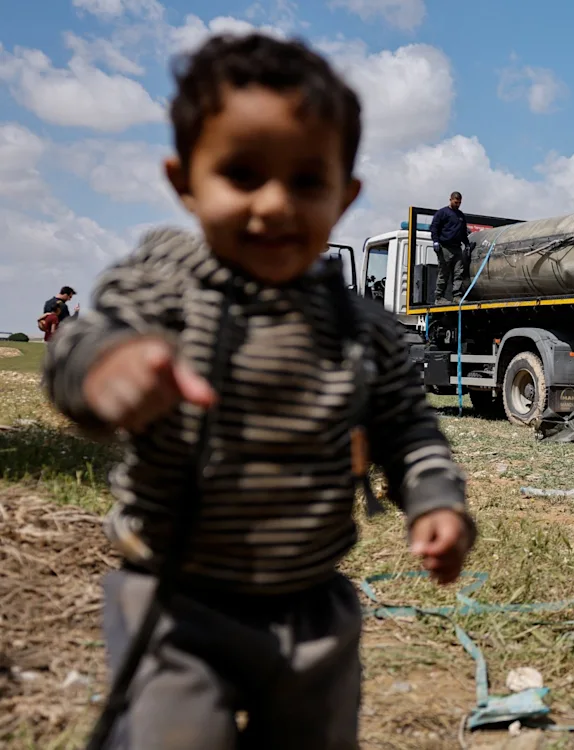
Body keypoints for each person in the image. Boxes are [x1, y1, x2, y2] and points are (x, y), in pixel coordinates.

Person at [42, 33, 474, 750]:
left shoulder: (359, 327)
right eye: (242, 174)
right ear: (185, 181)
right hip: (177, 603)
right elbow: (84, 348)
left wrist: (436, 502)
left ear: (345, 194)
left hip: (312, 609)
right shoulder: (166, 282)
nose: (274, 205)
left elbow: (410, 430)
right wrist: (108, 369)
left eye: (307, 182)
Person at [429, 191, 471, 303]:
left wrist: (467, 244)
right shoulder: (442, 213)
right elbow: (434, 227)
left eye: (459, 203)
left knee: (458, 272)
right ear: (451, 200)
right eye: (456, 202)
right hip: (445, 247)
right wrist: (436, 241)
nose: (458, 204)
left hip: (457, 248)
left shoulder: (461, 216)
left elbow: (462, 232)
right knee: (444, 272)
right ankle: (439, 297)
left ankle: (456, 296)